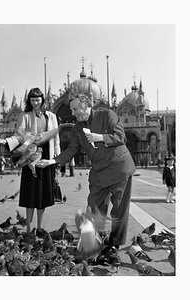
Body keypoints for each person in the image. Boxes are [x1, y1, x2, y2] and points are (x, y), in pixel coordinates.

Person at [38, 93, 136, 252]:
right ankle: (96, 238)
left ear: (86, 105)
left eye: (75, 109)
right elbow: (72, 149)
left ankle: (115, 243)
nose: (72, 113)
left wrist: (100, 137)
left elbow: (120, 137)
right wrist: (52, 161)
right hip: (99, 171)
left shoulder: (107, 115)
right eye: (71, 110)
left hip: (119, 167)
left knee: (119, 208)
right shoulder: (77, 128)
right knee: (94, 206)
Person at [0, 87, 60, 234]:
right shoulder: (26, 116)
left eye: (38, 99)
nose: (35, 102)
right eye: (32, 100)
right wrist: (4, 142)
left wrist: (57, 159)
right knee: (30, 193)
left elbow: (56, 139)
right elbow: (19, 135)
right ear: (29, 101)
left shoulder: (52, 117)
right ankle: (29, 227)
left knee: (43, 195)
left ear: (42, 100)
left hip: (47, 157)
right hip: (30, 157)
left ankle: (40, 226)